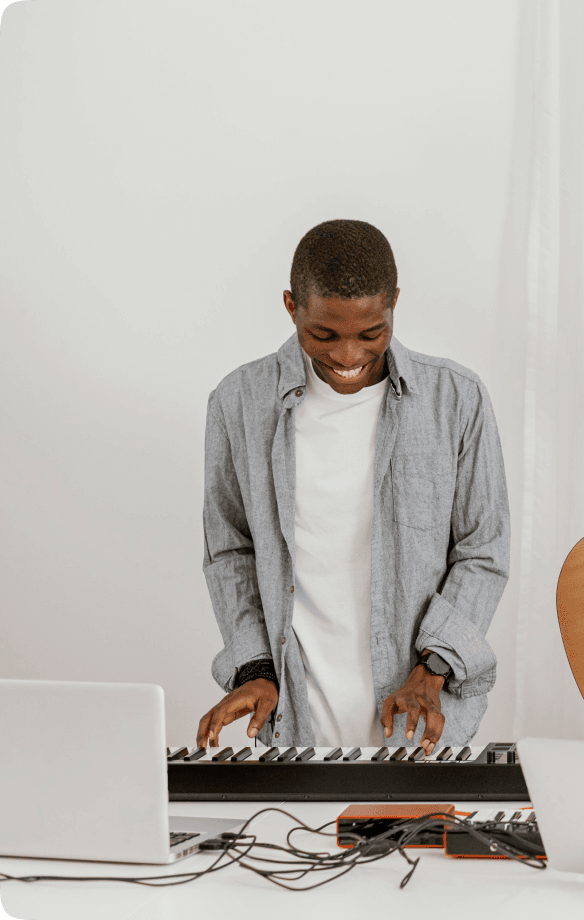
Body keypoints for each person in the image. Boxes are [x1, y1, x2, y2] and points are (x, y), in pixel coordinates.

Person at [195, 219, 510, 757]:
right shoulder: (237, 402)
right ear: (292, 307)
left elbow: (483, 551)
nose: (346, 357)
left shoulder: (456, 399)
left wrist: (433, 668)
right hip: (293, 726)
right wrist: (255, 668)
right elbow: (230, 551)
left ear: (393, 304)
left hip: (421, 719)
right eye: (324, 335)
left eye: (370, 333)